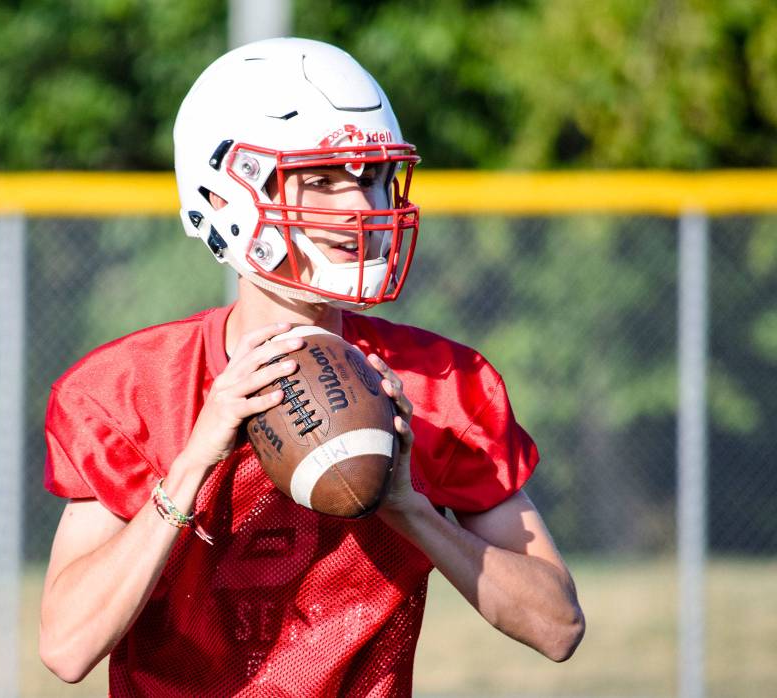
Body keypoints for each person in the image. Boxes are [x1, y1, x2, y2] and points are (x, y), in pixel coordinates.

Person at [39, 37, 584, 696]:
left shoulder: (437, 386)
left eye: (372, 177)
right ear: (220, 197)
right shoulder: (131, 393)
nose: (358, 207)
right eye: (322, 179)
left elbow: (557, 627)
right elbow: (67, 647)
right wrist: (192, 465)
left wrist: (409, 509)